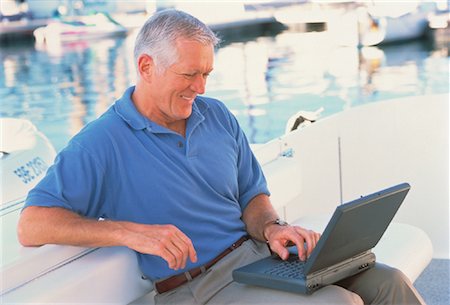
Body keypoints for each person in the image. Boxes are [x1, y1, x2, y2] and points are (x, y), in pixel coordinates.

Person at [18, 9, 425, 305]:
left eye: (207, 74)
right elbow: (32, 225)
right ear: (146, 66)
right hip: (199, 289)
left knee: (387, 281)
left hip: (257, 259)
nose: (200, 87)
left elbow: (252, 196)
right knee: (339, 304)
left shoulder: (217, 116)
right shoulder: (99, 143)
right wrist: (132, 233)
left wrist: (272, 229)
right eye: (188, 74)